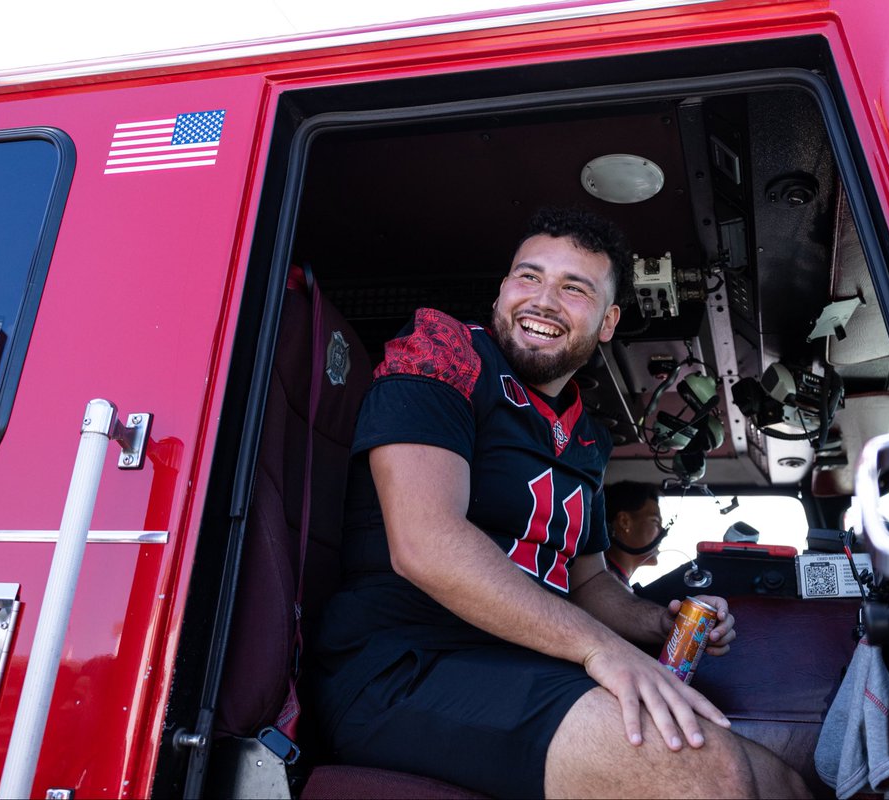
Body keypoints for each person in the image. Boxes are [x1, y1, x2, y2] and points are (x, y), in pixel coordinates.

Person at [310, 206, 810, 799]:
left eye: (574, 288)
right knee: (708, 770)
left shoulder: (589, 438)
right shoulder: (444, 354)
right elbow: (426, 544)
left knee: (780, 781)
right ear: (502, 291)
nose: (543, 301)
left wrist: (655, 622)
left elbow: (587, 581)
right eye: (529, 277)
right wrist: (600, 648)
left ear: (608, 321)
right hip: (401, 665)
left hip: (525, 664)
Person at [603, 481, 667, 587]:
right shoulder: (603, 583)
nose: (663, 533)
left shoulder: (613, 580)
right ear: (624, 521)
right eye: (655, 521)